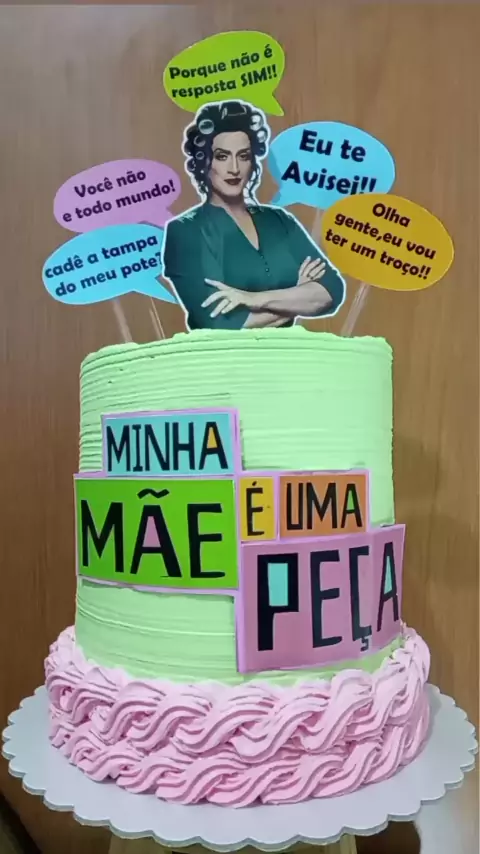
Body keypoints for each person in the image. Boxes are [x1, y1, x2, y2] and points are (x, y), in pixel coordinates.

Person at [163, 100, 345, 330]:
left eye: (243, 156)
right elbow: (219, 323)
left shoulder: (279, 221)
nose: (234, 168)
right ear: (203, 162)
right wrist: (296, 297)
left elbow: (332, 290)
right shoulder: (185, 231)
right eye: (222, 156)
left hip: (289, 350)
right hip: (228, 354)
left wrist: (252, 299)